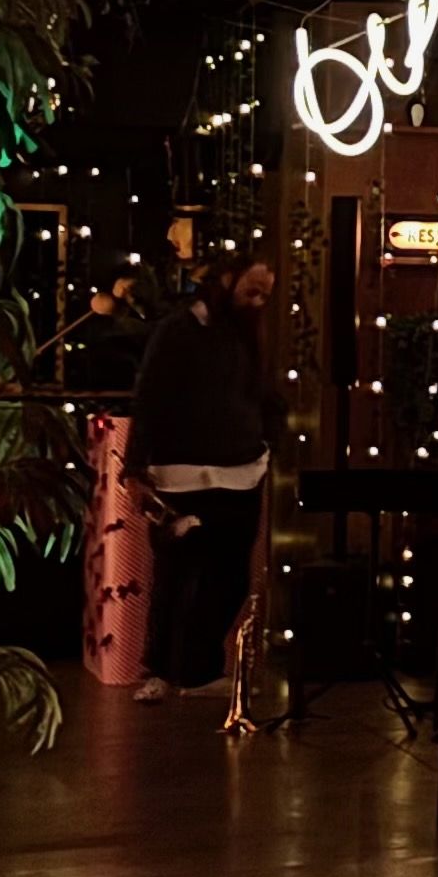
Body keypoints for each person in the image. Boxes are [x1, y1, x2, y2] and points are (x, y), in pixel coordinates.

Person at [125, 258, 278, 702]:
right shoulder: (177, 331)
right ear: (226, 281)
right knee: (175, 578)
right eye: (252, 290)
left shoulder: (248, 334)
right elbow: (148, 396)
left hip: (243, 472)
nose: (258, 301)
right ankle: (160, 671)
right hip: (180, 477)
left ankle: (198, 670)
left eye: (265, 294)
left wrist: (272, 436)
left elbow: (262, 394)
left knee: (229, 579)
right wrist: (135, 470)